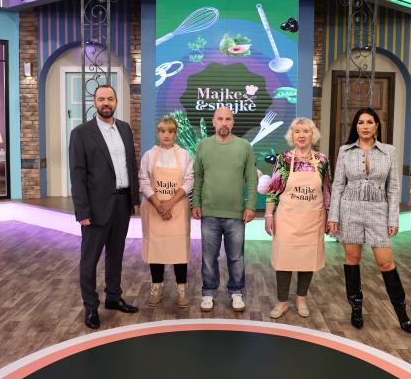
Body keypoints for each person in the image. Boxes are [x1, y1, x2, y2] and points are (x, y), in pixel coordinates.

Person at [327, 107, 411, 333]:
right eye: (360, 122)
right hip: (350, 210)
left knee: (385, 262)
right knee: (352, 259)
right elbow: (338, 185)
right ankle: (356, 309)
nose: (364, 126)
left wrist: (393, 219)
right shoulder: (345, 151)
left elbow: (393, 188)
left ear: (377, 126)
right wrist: (333, 215)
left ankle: (402, 313)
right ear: (356, 127)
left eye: (369, 122)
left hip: (378, 211)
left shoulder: (389, 151)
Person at [69, 84, 140, 329]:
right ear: (95, 102)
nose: (106, 103)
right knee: (89, 260)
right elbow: (77, 175)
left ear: (116, 101)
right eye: (101, 99)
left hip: (122, 202)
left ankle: (113, 297)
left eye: (110, 98)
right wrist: (82, 211)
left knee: (116, 254)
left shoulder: (125, 129)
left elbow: (131, 164)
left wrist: (134, 199)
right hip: (95, 208)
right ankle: (91, 307)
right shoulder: (81, 133)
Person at [192, 106, 257, 313]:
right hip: (209, 213)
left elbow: (251, 179)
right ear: (213, 122)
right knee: (208, 258)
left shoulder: (244, 146)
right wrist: (196, 203)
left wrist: (251, 205)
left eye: (228, 119)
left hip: (236, 214)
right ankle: (208, 293)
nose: (224, 123)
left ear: (233, 122)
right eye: (220, 119)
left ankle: (236, 292)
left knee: (236, 258)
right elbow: (198, 178)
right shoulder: (203, 146)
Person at [264, 117, 331, 318]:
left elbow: (327, 190)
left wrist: (329, 216)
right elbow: (273, 189)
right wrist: (268, 215)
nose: (301, 135)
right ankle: (282, 301)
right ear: (292, 136)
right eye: (297, 131)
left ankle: (301, 298)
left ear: (313, 135)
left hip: (313, 218)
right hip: (287, 218)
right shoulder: (283, 159)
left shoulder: (322, 160)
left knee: (307, 258)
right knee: (284, 259)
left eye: (306, 131)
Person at [139, 116, 194, 307]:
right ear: (158, 133)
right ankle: (157, 287)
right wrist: (158, 204)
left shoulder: (185, 155)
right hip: (154, 209)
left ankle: (181, 288)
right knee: (156, 249)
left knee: (179, 249)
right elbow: (144, 181)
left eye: (170, 131)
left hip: (177, 209)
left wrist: (169, 203)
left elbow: (189, 181)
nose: (167, 135)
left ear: (175, 134)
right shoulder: (149, 156)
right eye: (163, 131)